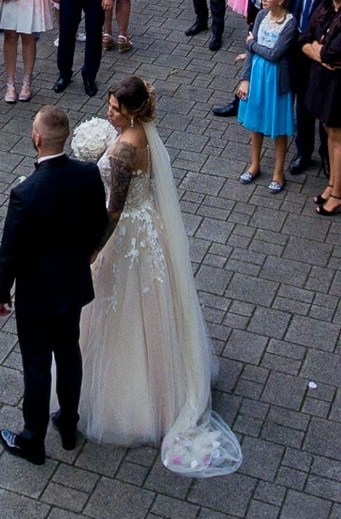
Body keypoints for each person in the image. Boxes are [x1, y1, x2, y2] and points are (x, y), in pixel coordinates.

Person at [77, 77, 243, 476]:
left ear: (131, 111)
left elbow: (114, 210)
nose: (109, 110)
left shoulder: (122, 150)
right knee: (154, 305)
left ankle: (134, 401)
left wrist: (94, 248)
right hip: (150, 228)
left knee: (121, 309)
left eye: (115, 107)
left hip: (127, 234)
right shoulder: (145, 137)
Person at [0, 104, 108, 467]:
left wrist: (1, 292)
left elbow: (9, 251)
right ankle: (69, 424)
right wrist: (89, 249)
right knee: (69, 352)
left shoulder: (25, 193)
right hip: (71, 285)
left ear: (38, 138)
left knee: (37, 364)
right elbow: (99, 220)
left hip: (37, 295)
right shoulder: (87, 175)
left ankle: (32, 439)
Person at [230, 0, 297, 192]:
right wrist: (245, 78)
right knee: (255, 121)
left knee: (278, 126)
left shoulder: (290, 23)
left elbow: (275, 54)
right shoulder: (260, 16)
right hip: (258, 75)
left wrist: (252, 44)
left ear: (281, 0)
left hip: (277, 79)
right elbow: (252, 53)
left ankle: (279, 171)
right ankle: (255, 163)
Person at [286, 0, 333, 174]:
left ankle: (327, 156)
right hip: (299, 48)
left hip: (320, 51)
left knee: (323, 106)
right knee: (301, 103)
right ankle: (303, 152)